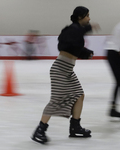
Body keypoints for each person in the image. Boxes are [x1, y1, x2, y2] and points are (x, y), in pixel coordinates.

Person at [31, 6, 100, 144]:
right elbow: (66, 42)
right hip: (60, 70)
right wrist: (87, 29)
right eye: (87, 15)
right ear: (80, 17)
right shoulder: (72, 30)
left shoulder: (75, 32)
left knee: (79, 95)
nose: (89, 18)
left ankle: (75, 127)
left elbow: (74, 47)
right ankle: (40, 130)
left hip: (68, 70)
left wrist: (86, 53)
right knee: (56, 100)